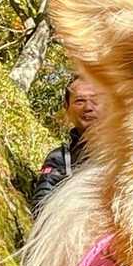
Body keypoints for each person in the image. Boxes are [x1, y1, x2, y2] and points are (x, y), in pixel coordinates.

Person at [30, 76, 101, 214]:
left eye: (96, 100)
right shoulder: (60, 158)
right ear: (66, 108)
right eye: (80, 101)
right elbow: (41, 205)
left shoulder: (130, 150)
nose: (88, 107)